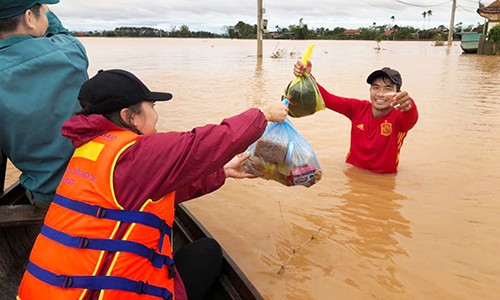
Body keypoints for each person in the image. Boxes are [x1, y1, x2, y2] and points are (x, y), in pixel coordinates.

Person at [17, 69, 289, 300]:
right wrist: (262, 116)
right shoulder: (134, 154)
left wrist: (222, 172)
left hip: (42, 290)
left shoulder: (90, 151)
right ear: (129, 117)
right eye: (152, 108)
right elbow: (201, 145)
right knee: (207, 253)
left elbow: (154, 193)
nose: (157, 116)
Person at [0, 0, 89, 209]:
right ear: (30, 17)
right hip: (91, 185)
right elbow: (61, 33)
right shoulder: (70, 52)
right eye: (42, 11)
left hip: (47, 198)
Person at [293, 61, 418, 173]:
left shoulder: (400, 117)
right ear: (370, 90)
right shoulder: (357, 108)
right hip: (352, 172)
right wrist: (308, 77)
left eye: (388, 89)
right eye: (375, 87)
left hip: (383, 178)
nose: (380, 94)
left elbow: (411, 118)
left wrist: (409, 104)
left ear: (398, 93)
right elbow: (327, 99)